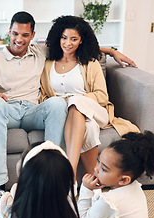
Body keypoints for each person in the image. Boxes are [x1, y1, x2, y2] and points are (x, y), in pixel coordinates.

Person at [0, 11, 138, 218]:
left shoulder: (47, 54)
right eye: (15, 34)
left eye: (25, 35)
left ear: (33, 35)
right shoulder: (2, 59)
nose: (19, 39)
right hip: (14, 109)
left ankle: (56, 176)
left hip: (59, 108)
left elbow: (77, 47)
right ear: (9, 32)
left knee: (60, 104)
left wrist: (110, 51)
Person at [40, 15, 139, 183]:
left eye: (74, 39)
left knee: (76, 102)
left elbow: (102, 95)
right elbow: (43, 96)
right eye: (64, 37)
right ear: (58, 37)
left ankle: (70, 172)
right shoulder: (47, 63)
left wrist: (72, 100)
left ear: (81, 40)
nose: (67, 43)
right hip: (63, 114)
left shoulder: (89, 62)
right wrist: (60, 106)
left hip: (95, 110)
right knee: (90, 128)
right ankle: (93, 183)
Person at [78, 131, 154, 218]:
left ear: (124, 180)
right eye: (98, 161)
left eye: (104, 169)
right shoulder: (135, 187)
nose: (96, 169)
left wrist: (86, 188)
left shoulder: (110, 201)